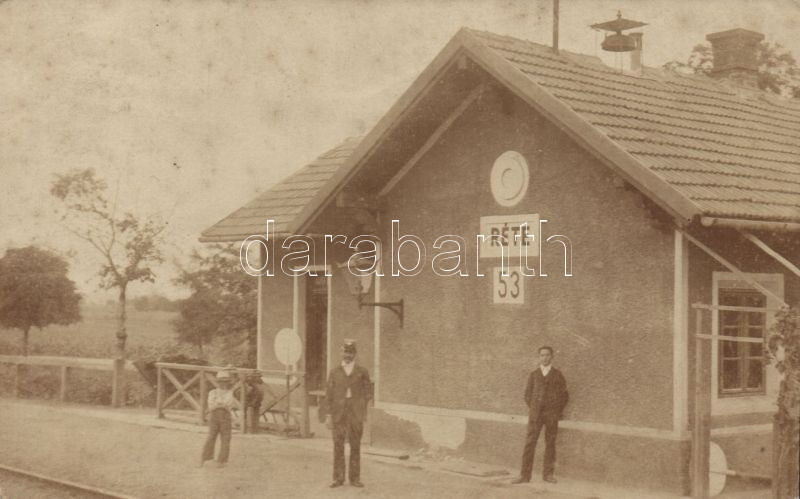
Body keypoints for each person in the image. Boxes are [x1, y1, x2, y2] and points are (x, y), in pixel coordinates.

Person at [512, 346, 569, 484]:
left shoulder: (558, 374)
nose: (545, 357)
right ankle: (524, 475)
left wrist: (556, 411)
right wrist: (534, 409)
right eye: (542, 355)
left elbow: (564, 395)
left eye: (547, 355)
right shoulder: (534, 375)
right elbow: (527, 395)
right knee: (530, 443)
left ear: (552, 357)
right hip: (536, 415)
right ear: (539, 357)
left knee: (550, 443)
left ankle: (548, 475)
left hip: (551, 416)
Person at [323, 339, 372, 488]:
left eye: (351, 352)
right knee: (338, 445)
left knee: (355, 445)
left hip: (355, 413)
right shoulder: (334, 372)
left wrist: (361, 406)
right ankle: (338, 478)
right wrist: (328, 415)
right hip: (339, 413)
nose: (348, 355)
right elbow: (329, 395)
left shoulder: (362, 372)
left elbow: (368, 392)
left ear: (355, 354)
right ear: (341, 352)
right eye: (345, 352)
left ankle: (355, 479)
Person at [200, 369, 236, 468]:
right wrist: (220, 404)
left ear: (228, 383)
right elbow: (211, 405)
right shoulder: (212, 392)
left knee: (226, 438)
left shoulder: (230, 392)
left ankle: (222, 460)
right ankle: (205, 458)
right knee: (211, 436)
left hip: (225, 416)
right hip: (214, 416)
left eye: (225, 382)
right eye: (221, 382)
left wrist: (219, 403)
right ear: (218, 382)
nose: (223, 384)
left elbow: (228, 404)